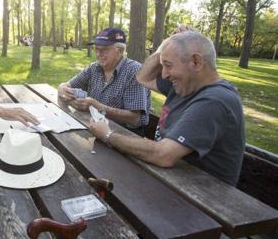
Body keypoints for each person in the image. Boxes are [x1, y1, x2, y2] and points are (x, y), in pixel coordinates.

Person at [88, 28, 245, 186]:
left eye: (168, 66)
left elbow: (163, 155)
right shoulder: (183, 85)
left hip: (201, 198)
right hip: (171, 181)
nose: (163, 74)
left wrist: (107, 135)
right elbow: (142, 77)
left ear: (196, 62)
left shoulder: (215, 100)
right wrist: (166, 46)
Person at [58, 27, 151, 135]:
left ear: (120, 51)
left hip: (126, 135)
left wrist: (97, 106)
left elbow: (134, 118)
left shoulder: (134, 72)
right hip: (96, 128)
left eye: (104, 50)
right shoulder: (94, 68)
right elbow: (66, 85)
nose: (98, 54)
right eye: (96, 49)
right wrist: (62, 88)